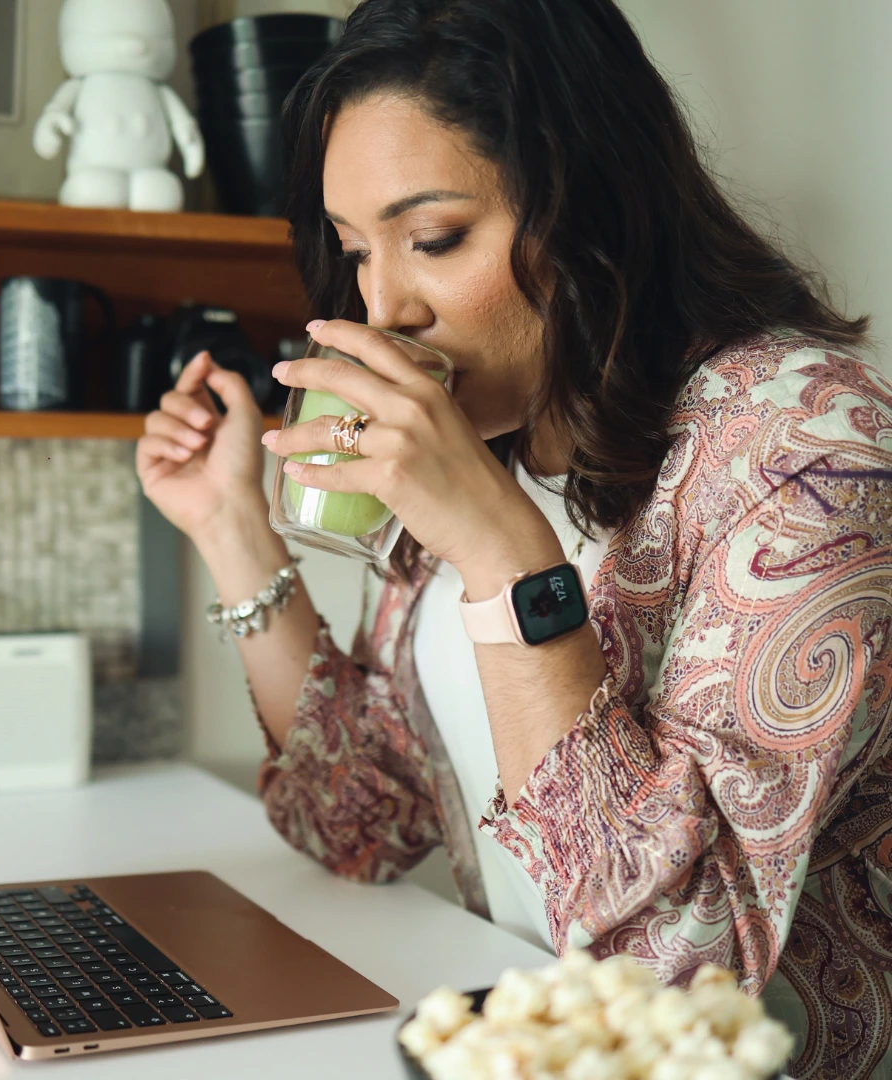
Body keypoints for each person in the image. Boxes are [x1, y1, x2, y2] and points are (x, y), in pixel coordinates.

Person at [137, 1, 892, 1075]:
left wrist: (508, 565)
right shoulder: (487, 443)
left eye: (433, 238)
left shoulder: (810, 455)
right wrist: (231, 526)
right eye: (356, 251)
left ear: (593, 207)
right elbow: (356, 821)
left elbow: (683, 982)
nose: (381, 305)